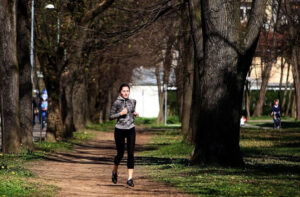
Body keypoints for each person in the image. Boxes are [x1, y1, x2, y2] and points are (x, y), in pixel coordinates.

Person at [109, 83, 139, 187]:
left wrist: (134, 113)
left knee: (131, 153)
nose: (126, 93)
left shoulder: (133, 101)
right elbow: (110, 116)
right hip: (119, 130)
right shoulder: (116, 103)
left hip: (130, 129)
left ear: (129, 92)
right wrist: (120, 114)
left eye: (127, 91)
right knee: (120, 154)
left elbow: (131, 111)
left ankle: (130, 178)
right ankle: (114, 171)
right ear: (120, 92)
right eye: (124, 91)